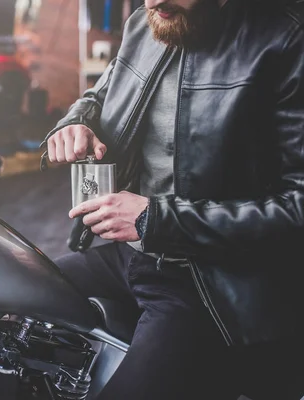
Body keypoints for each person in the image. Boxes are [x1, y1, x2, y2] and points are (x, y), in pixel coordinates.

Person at [42, 0, 304, 399]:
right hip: (127, 255)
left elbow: (298, 205)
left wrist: (156, 220)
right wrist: (76, 121)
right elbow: (100, 94)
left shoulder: (288, 40)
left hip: (208, 284)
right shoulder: (144, 24)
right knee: (6, 302)